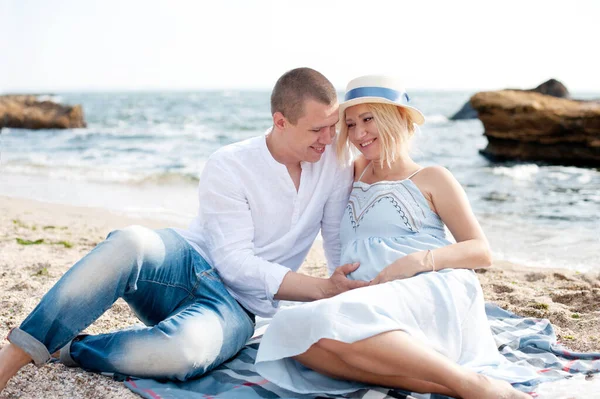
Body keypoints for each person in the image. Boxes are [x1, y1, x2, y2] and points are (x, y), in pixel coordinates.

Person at [0, 67, 370, 392]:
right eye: (317, 129)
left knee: (182, 355)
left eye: (333, 126)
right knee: (129, 241)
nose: (328, 138)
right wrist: (320, 288)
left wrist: (342, 292)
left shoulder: (334, 164)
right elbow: (235, 261)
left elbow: (336, 240)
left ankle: (70, 348)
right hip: (184, 263)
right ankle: (11, 360)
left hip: (236, 307)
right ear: (280, 121)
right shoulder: (230, 164)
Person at [255, 75, 538, 399]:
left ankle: (473, 386)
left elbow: (481, 251)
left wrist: (415, 262)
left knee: (332, 318)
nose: (359, 133)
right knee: (285, 333)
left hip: (428, 285)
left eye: (368, 119)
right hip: (371, 297)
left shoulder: (432, 177)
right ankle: (455, 384)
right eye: (350, 124)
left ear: (396, 118)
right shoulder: (351, 171)